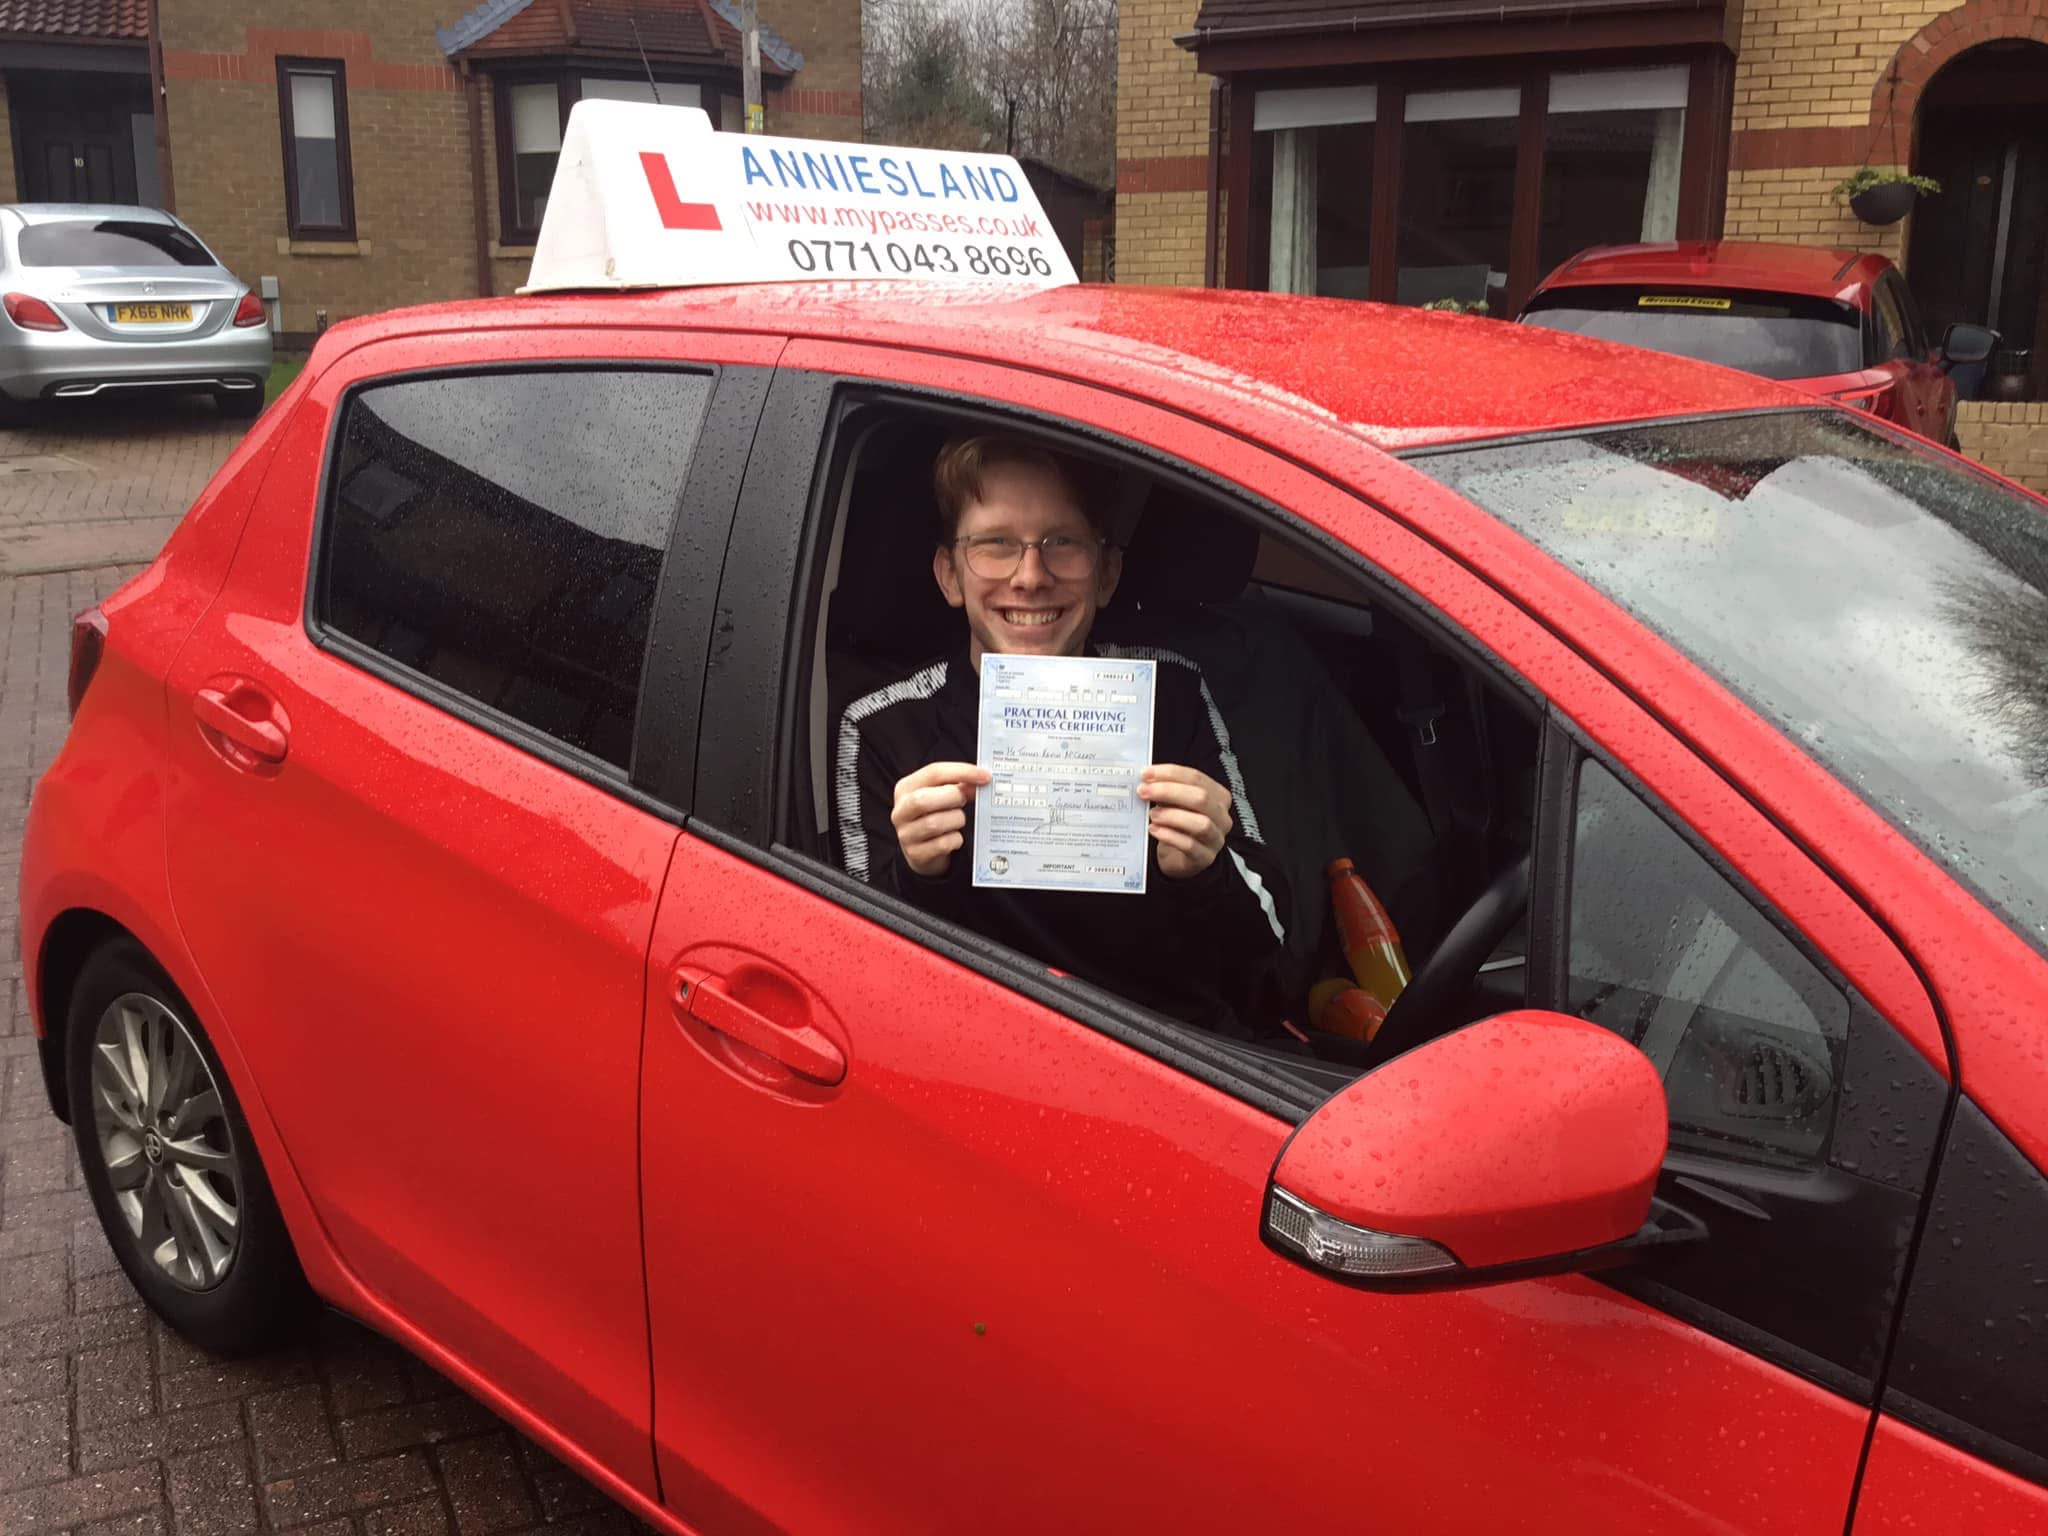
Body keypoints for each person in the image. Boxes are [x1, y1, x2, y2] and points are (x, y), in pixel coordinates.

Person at [835, 433, 1289, 1039]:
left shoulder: (1170, 692)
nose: (1030, 576)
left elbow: (1270, 941)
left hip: (1180, 1056)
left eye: (1063, 544)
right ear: (949, 576)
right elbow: (856, 978)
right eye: (995, 545)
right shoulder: (881, 728)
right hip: (984, 1057)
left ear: (1106, 574)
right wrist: (918, 876)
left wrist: (1207, 870)